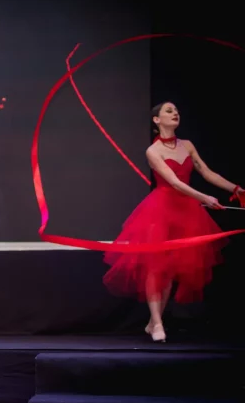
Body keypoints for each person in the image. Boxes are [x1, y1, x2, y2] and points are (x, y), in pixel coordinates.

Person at [103, 101, 243, 342]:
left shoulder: (187, 145)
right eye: (169, 111)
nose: (175, 113)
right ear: (156, 120)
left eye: (176, 110)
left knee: (169, 269)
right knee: (155, 266)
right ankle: (157, 323)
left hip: (186, 211)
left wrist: (237, 189)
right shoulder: (153, 151)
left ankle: (153, 322)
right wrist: (204, 198)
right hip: (159, 210)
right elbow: (175, 183)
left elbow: (207, 172)